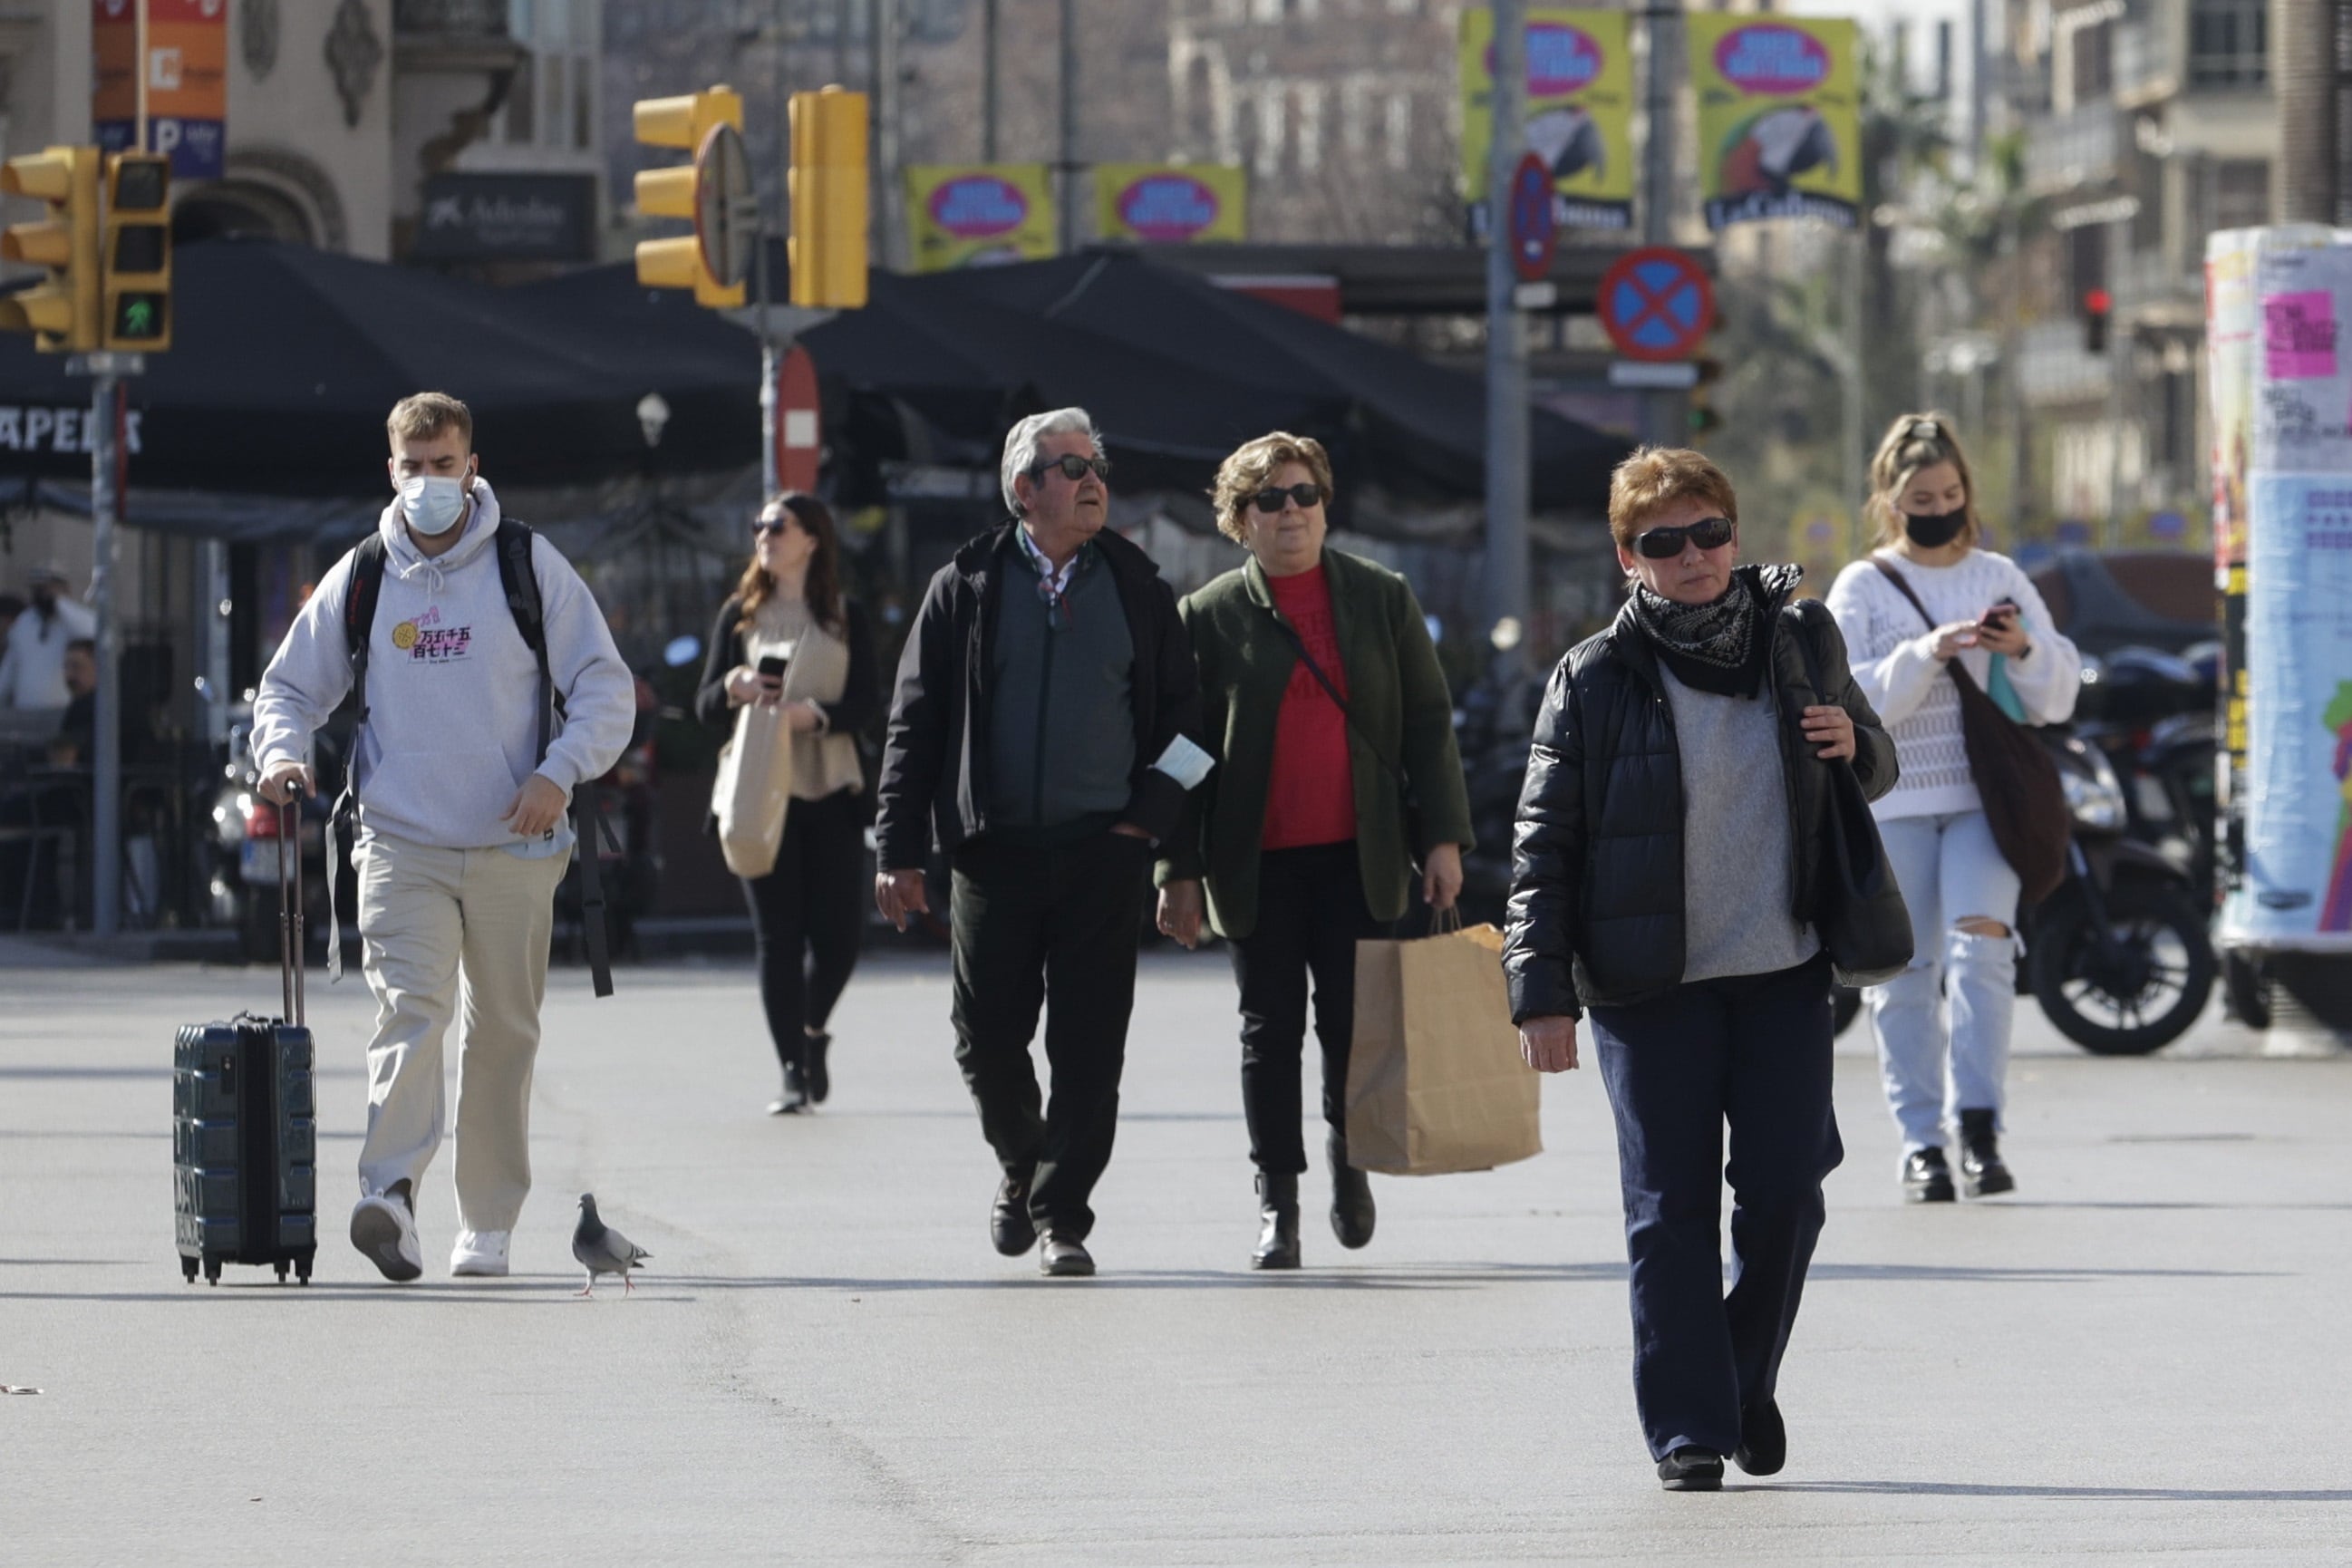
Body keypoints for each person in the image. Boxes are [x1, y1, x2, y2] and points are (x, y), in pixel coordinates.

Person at [1505, 446, 1897, 1492]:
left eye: (1710, 531)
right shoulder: (1593, 676)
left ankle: (1739, 1372)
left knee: (1787, 1194)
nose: (1695, 556)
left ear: (1735, 531)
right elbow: (1543, 845)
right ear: (1630, 558)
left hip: (1783, 968)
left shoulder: (1799, 639)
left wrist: (1848, 740)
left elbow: (1878, 754)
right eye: (1665, 542)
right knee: (1666, 1207)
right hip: (1649, 984)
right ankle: (1689, 1424)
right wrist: (1538, 991)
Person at [249, 392, 635, 1283]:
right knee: (408, 1015)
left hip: (516, 840)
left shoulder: (526, 563)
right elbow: (288, 688)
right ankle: (390, 1196)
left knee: (502, 1028)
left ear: (473, 464)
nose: (429, 481)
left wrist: (559, 771)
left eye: (444, 463)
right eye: (413, 466)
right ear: (392, 470)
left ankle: (488, 1221)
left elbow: (605, 685)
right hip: (399, 837)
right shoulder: (365, 574)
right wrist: (282, 754)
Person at [874, 407, 1208, 1279]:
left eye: (1097, 463)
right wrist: (896, 848)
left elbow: (1191, 723)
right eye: (1070, 467)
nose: (1092, 480)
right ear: (1024, 490)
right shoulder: (967, 584)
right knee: (984, 1036)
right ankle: (1024, 1166)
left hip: (1106, 850)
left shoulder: (1138, 586)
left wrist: (1151, 819)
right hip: (993, 852)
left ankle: (1063, 1215)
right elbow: (914, 724)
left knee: (1090, 1047)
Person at [1155, 431, 1472, 1270]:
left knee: (1352, 1034)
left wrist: (1442, 837)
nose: (1290, 512)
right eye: (1269, 500)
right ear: (1238, 520)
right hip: (1254, 865)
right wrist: (1176, 869)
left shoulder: (1381, 597)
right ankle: (1277, 1202)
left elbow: (1427, 723)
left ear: (1325, 507)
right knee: (1268, 1033)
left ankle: (1349, 1160)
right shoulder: (1207, 617)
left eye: (1303, 495)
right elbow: (1180, 755)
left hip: (1359, 861)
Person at [1825, 413, 2080, 1204]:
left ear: (1966, 492)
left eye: (1949, 491)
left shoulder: (1998, 575)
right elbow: (1845, 700)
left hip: (1983, 802)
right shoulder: (1862, 585)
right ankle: (1919, 1142)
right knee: (1904, 974)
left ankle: (1978, 1125)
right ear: (1889, 501)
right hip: (1893, 799)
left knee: (1982, 955)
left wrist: (2023, 650)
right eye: (1919, 496)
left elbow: (2058, 694)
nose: (1936, 505)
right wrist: (1927, 651)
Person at [695, 492, 879, 1115]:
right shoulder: (738, 617)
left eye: (777, 525)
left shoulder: (845, 616)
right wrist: (733, 684)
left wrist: (815, 716)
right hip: (756, 793)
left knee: (840, 939)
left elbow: (869, 704)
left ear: (812, 538)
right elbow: (702, 706)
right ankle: (790, 1073)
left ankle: (813, 1030)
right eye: (758, 527)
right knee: (777, 936)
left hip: (829, 787)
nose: (764, 535)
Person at [0, 565, 96, 711]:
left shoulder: (72, 620)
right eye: (39, 589)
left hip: (63, 710)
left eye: (48, 588)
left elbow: (92, 632)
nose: (44, 594)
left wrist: (59, 602)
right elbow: (11, 665)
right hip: (26, 710)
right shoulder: (24, 622)